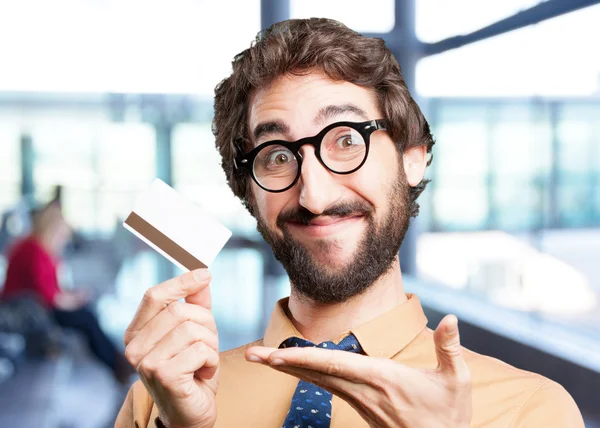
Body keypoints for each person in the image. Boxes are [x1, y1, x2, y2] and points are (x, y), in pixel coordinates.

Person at [116, 18, 584, 428]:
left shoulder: (532, 411)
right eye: (277, 155)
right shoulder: (158, 402)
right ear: (250, 194)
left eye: (345, 140)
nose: (315, 196)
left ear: (411, 161)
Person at [1, 201, 132, 384]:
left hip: (35, 306)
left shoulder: (40, 249)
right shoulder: (33, 250)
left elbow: (51, 290)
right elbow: (49, 297)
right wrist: (73, 300)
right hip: (26, 311)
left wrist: (73, 297)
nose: (64, 239)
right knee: (86, 318)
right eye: (62, 234)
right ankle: (115, 365)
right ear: (52, 229)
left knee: (87, 312)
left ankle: (115, 361)